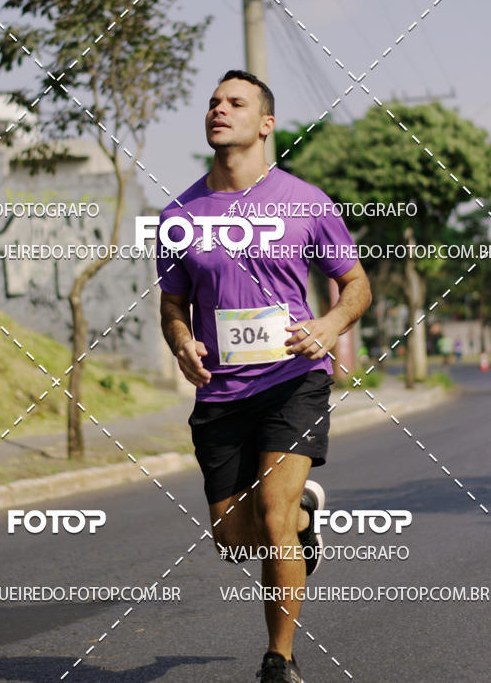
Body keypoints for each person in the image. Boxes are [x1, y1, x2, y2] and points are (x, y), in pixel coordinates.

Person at [157, 70, 371, 683]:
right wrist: (181, 341)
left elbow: (355, 285)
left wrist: (330, 327)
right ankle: (305, 516)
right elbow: (172, 305)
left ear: (266, 123)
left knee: (271, 518)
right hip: (221, 391)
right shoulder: (179, 215)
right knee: (234, 539)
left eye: (236, 102)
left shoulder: (305, 202)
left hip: (292, 379)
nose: (219, 110)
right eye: (214, 103)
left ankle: (279, 659)